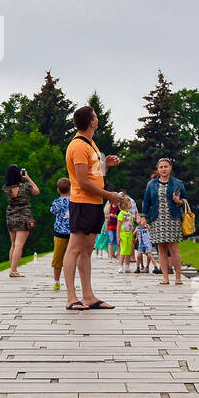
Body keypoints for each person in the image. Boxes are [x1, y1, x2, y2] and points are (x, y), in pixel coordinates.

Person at [62, 105, 126, 310]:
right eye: (95, 117)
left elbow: (95, 175)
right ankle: (71, 297)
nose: (97, 119)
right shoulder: (79, 146)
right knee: (74, 249)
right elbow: (82, 182)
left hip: (94, 203)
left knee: (87, 250)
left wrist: (105, 165)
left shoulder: (91, 144)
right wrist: (111, 196)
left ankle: (88, 295)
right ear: (91, 122)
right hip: (82, 203)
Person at [142, 157, 187, 286]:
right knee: (160, 248)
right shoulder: (151, 184)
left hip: (172, 218)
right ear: (158, 169)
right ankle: (165, 277)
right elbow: (147, 201)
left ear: (170, 168)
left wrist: (180, 202)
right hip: (157, 218)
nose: (163, 169)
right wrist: (144, 216)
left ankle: (178, 277)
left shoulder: (178, 183)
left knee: (173, 248)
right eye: (161, 167)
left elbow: (186, 199)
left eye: (166, 166)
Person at [4, 164, 39, 277]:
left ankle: (13, 269)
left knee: (13, 244)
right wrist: (27, 177)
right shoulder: (25, 187)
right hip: (24, 215)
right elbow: (37, 191)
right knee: (19, 245)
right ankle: (13, 271)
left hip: (10, 215)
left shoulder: (6, 188)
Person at [49, 178, 72, 291]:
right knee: (70, 259)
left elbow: (52, 211)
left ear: (58, 190)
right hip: (72, 234)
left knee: (58, 258)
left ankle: (57, 281)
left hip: (59, 234)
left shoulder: (57, 202)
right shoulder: (75, 201)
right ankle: (70, 282)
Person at [116, 196, 138, 272]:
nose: (131, 204)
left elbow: (131, 224)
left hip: (129, 234)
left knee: (129, 251)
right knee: (123, 250)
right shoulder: (121, 214)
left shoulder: (129, 214)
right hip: (123, 234)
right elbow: (118, 226)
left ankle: (127, 266)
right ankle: (121, 266)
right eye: (129, 203)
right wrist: (118, 236)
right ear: (124, 205)